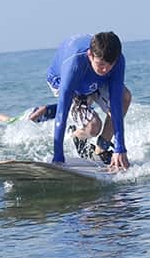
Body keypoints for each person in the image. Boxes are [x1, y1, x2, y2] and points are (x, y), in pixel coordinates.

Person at [46, 31, 132, 168]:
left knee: (124, 97)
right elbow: (62, 112)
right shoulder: (74, 63)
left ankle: (101, 150)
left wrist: (120, 148)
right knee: (93, 126)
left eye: (110, 65)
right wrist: (58, 158)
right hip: (66, 81)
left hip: (94, 80)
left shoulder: (117, 60)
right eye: (101, 64)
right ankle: (76, 135)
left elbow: (116, 102)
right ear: (90, 55)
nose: (105, 69)